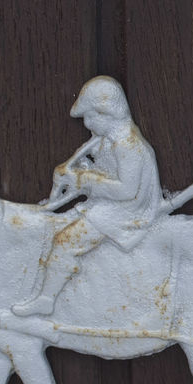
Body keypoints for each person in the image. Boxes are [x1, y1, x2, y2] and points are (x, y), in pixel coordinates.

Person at [13, 76, 162, 317]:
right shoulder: (107, 141)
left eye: (90, 117)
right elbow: (105, 175)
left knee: (65, 241)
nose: (87, 124)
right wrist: (75, 173)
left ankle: (46, 299)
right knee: (57, 226)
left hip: (125, 212)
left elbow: (127, 190)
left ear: (107, 113)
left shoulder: (126, 145)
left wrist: (83, 180)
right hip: (108, 206)